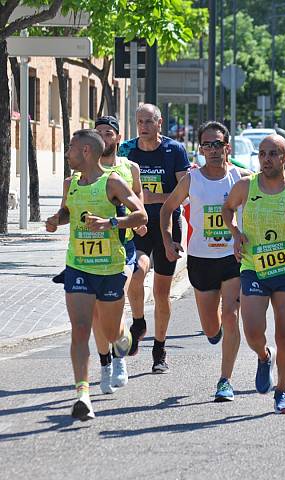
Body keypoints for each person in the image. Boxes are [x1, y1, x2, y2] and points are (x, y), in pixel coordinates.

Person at [45, 129, 147, 420]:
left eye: (71, 148)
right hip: (78, 265)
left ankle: (124, 337)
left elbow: (141, 215)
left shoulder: (112, 182)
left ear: (86, 151)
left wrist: (110, 223)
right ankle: (83, 396)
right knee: (80, 328)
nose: (67, 153)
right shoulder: (71, 183)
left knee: (112, 332)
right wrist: (57, 220)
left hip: (110, 269)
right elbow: (68, 212)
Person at [222, 134, 285, 414]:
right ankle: (264, 357)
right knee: (253, 331)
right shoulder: (245, 185)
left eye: (273, 154)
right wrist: (235, 233)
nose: (266, 159)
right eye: (262, 153)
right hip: (253, 266)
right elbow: (227, 208)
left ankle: (282, 391)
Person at [160, 121, 251, 402]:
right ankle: (217, 333)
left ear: (227, 147)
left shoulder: (242, 179)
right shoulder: (191, 180)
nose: (213, 150)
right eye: (207, 145)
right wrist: (167, 241)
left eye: (218, 144)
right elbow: (167, 209)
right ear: (200, 149)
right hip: (200, 259)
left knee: (231, 315)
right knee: (211, 327)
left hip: (233, 257)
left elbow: (268, 199)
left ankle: (225, 380)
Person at [118, 104, 190, 373]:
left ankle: (159, 348)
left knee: (161, 293)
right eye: (139, 122)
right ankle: (138, 321)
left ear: (160, 123)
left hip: (167, 227)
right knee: (136, 271)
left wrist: (151, 198)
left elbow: (184, 192)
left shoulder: (174, 150)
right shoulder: (127, 150)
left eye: (149, 121)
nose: (143, 126)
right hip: (138, 226)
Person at [93, 116, 145, 394]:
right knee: (97, 314)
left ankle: (120, 358)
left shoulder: (130, 168)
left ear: (117, 137)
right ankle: (106, 361)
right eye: (98, 132)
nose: (104, 137)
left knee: (115, 301)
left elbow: (138, 197)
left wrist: (140, 220)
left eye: (109, 133)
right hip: (88, 251)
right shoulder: (83, 171)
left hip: (122, 247)